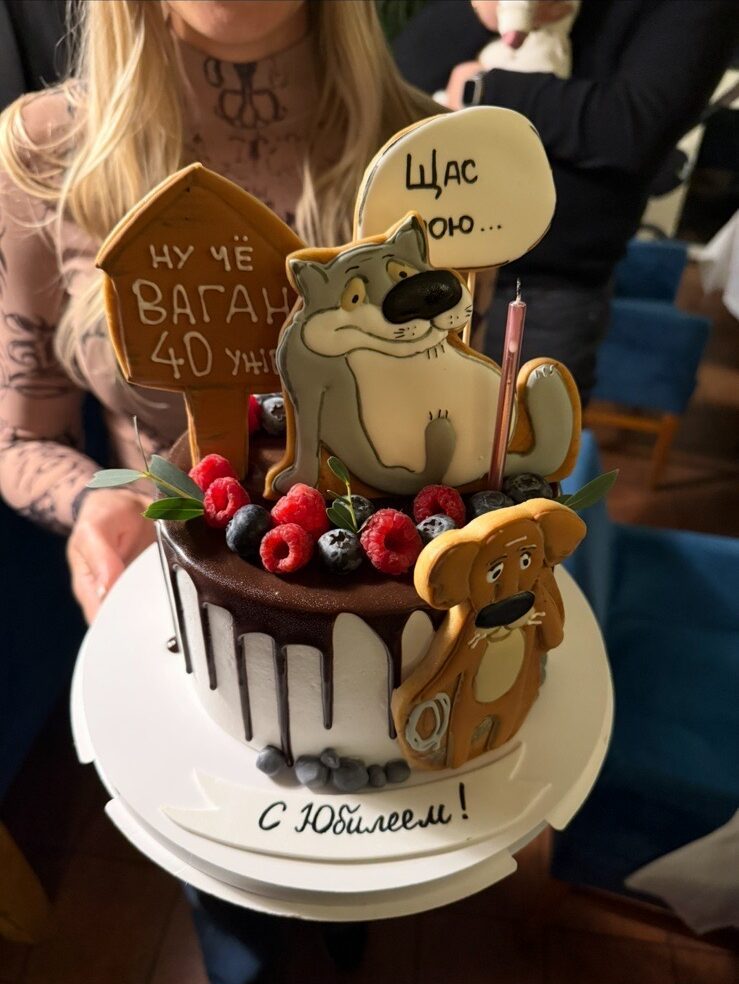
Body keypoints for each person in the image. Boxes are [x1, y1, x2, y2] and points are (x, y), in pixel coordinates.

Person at [0, 2, 437, 980]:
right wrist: (97, 496)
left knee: (357, 880)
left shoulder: (425, 154)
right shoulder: (41, 149)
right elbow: (20, 436)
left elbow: (448, 425)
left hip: (377, 626)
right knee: (237, 919)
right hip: (179, 622)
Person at [392, 0, 738, 401]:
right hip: (420, 260)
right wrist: (479, 13)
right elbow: (399, 76)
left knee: (518, 436)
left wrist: (483, 88)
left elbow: (633, 128)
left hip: (541, 285)